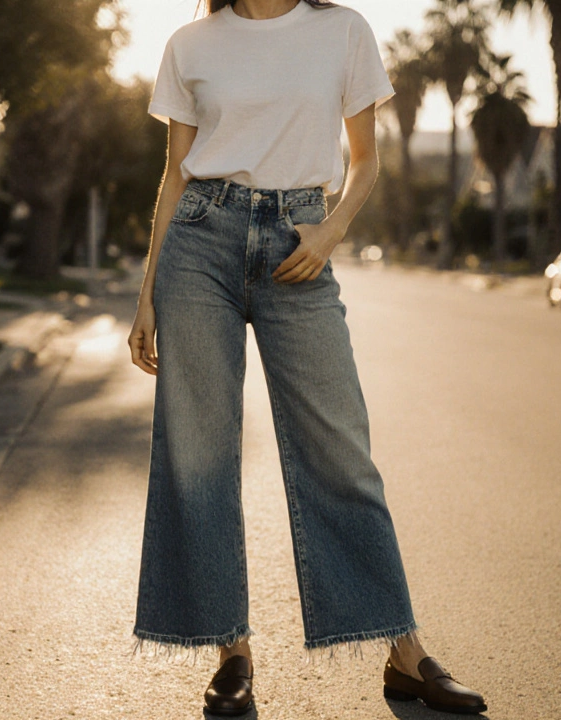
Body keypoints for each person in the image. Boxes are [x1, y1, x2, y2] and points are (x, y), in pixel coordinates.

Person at [127, 0, 487, 715]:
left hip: (300, 237)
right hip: (199, 243)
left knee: (340, 449)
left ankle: (404, 651)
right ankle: (232, 653)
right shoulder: (191, 43)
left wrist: (327, 236)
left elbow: (367, 159)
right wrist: (147, 295)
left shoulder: (342, 31)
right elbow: (174, 175)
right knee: (200, 451)